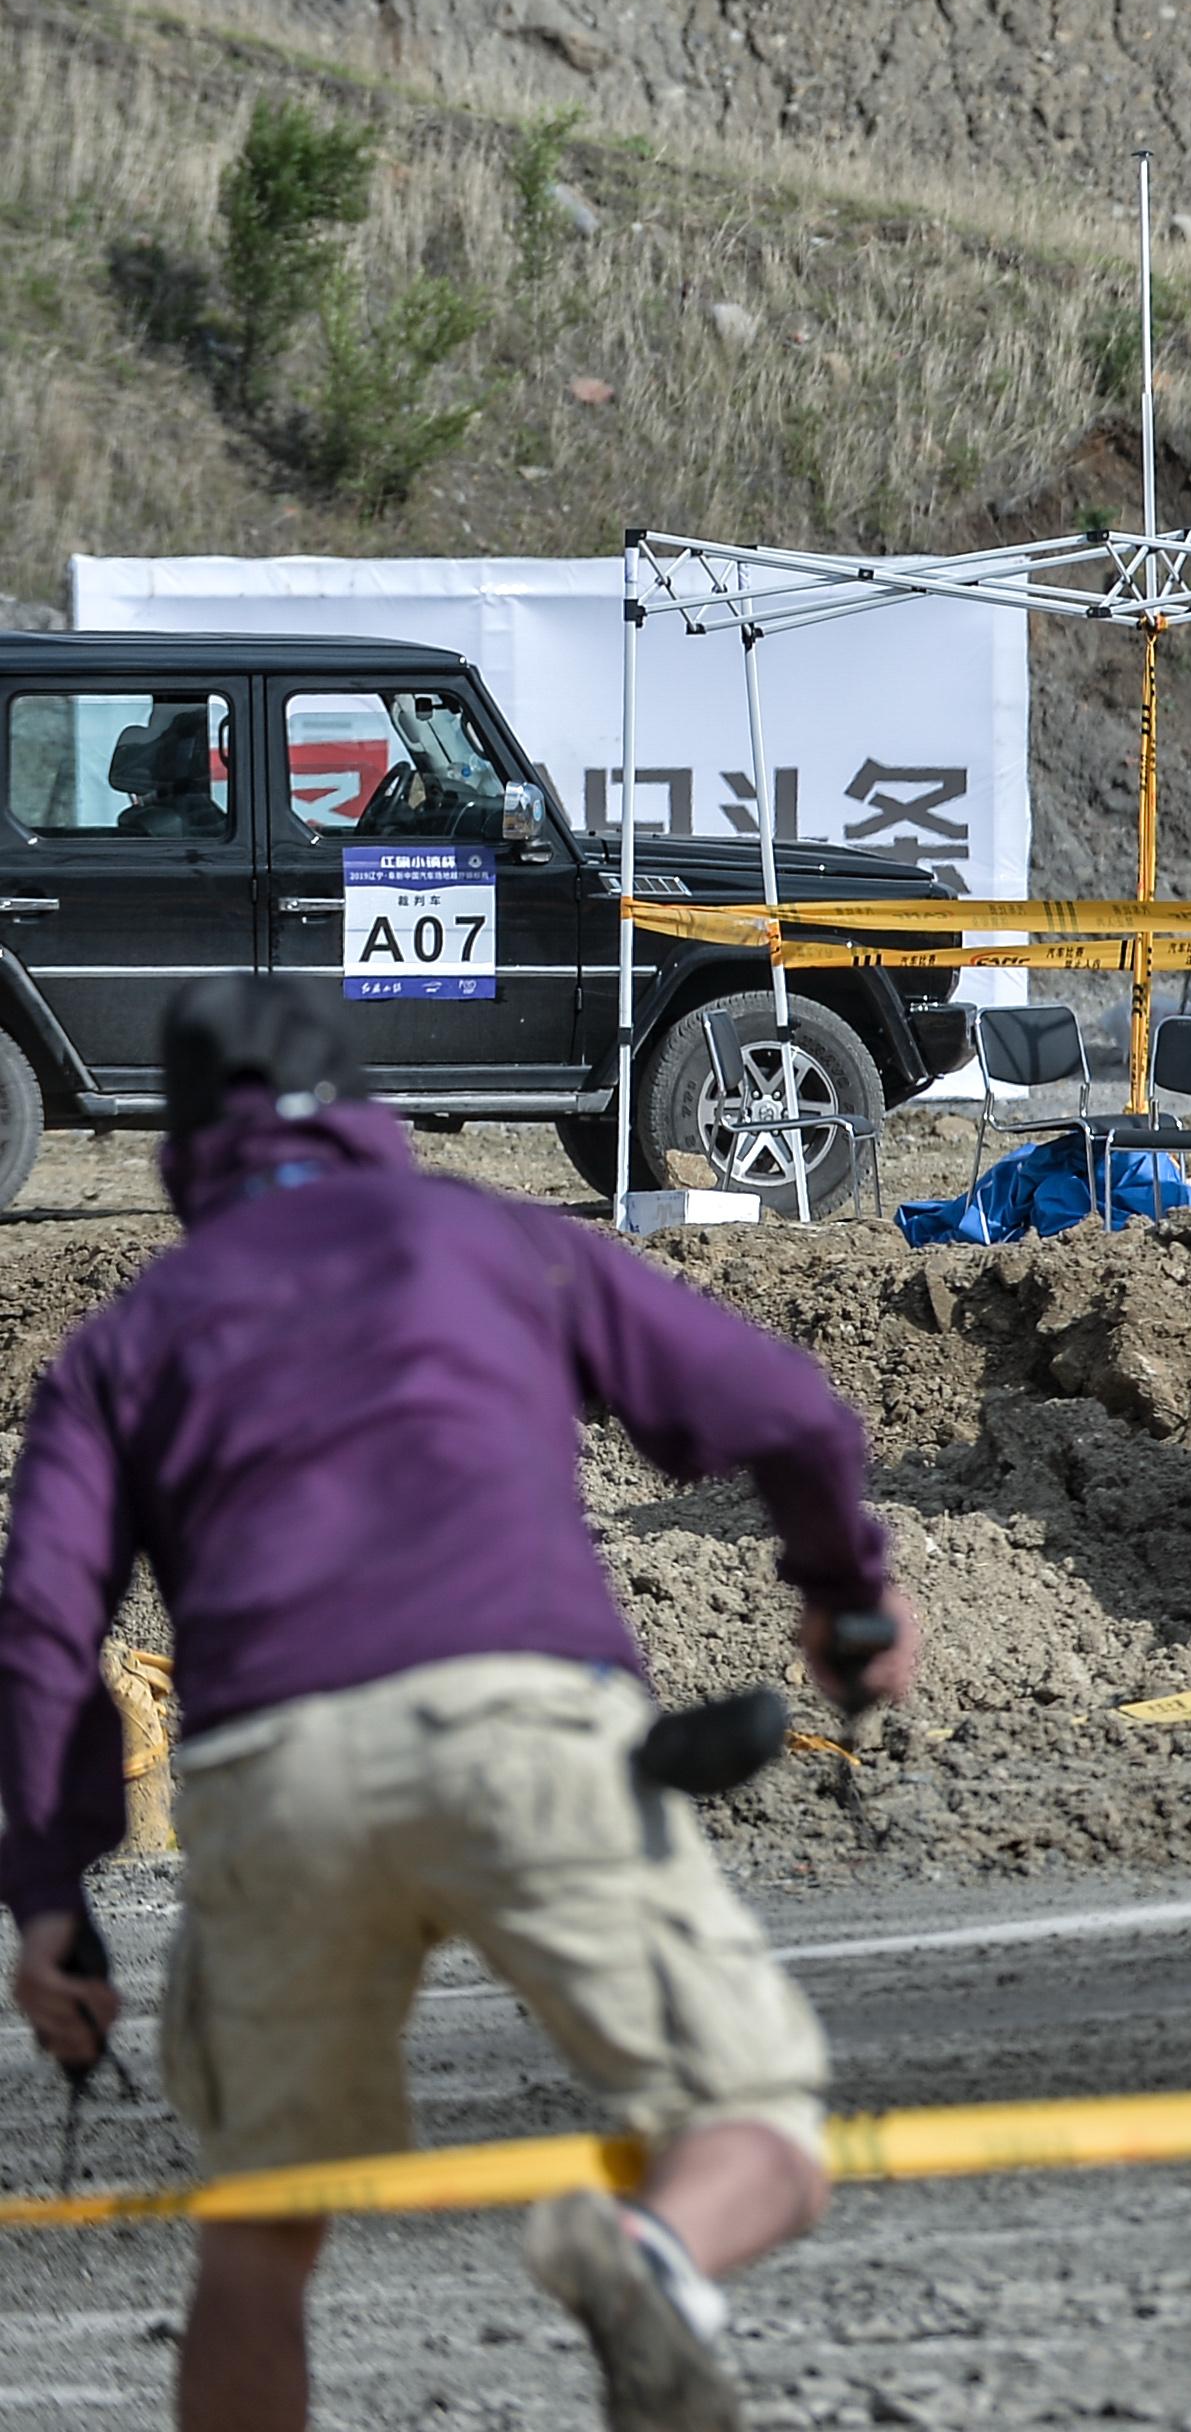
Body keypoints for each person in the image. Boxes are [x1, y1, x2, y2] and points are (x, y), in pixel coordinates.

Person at [2, 976, 924, 2432]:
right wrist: (846, 1598)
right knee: (757, 2119)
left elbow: (46, 1629)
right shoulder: (502, 1244)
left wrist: (52, 1901)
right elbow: (795, 1415)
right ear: (361, 1100)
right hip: (530, 1730)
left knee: (259, 2231)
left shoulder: (123, 1344)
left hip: (266, 1774)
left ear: (182, 1138)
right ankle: (652, 2258)